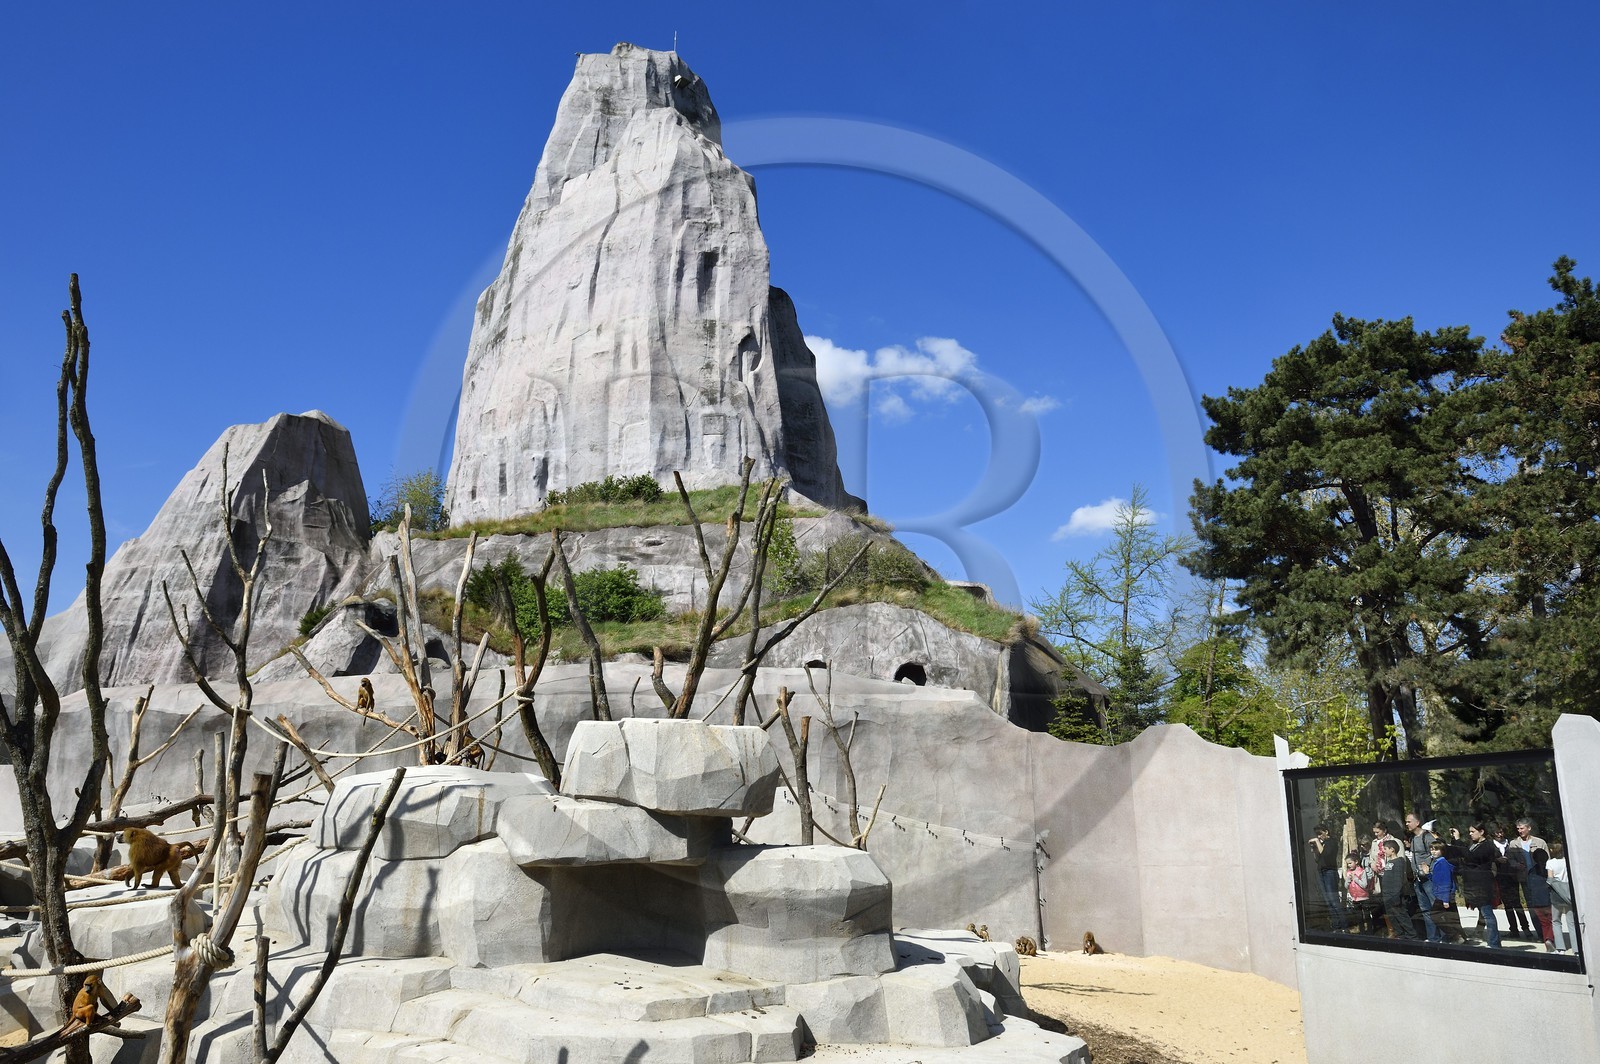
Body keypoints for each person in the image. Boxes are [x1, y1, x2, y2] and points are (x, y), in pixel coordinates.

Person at [1449, 824, 1502, 948]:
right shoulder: (1472, 845)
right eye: (1469, 831)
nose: (1470, 834)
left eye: (1473, 831)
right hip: (1472, 884)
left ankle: (1494, 943)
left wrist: (1458, 840)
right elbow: (1460, 854)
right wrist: (1454, 840)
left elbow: (1472, 858)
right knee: (1484, 913)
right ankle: (1494, 941)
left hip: (1482, 884)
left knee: (1487, 914)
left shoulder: (1488, 845)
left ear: (1481, 831)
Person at [1492, 825, 1536, 940]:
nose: (1499, 835)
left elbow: (1517, 857)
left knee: (1517, 903)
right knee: (1507, 905)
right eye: (1497, 832)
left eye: (1501, 832)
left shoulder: (1510, 843)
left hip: (1512, 876)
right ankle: (1513, 929)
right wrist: (1497, 860)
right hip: (1500, 877)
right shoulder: (1491, 845)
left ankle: (1525, 928)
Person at [1404, 812, 1441, 943]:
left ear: (1417, 822)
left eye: (1409, 821)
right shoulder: (1413, 839)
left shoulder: (1427, 836)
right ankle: (1432, 938)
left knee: (1435, 908)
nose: (1407, 824)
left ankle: (1443, 937)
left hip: (1428, 879)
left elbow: (1436, 853)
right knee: (1425, 909)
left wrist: (1428, 869)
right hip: (1417, 880)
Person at [1374, 839, 1419, 939]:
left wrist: (1396, 895)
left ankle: (1411, 935)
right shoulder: (1389, 862)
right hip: (1387, 895)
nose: (1384, 851)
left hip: (1395, 895)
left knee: (1401, 915)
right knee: (1392, 917)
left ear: (1392, 849)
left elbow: (1398, 880)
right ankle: (1399, 934)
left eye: (1385, 849)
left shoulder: (1399, 861)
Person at [1308, 826, 1347, 931]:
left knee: (1334, 900)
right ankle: (1336, 926)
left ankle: (1344, 926)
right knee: (1328, 902)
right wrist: (1315, 850)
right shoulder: (1322, 844)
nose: (1319, 836)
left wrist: (1317, 841)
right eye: (1317, 835)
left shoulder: (1331, 842)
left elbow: (1325, 855)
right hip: (1322, 872)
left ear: (1326, 831)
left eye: (1320, 834)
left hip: (1330, 872)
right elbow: (1318, 860)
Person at [1427, 839, 1464, 944]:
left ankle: (1455, 935)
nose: (1433, 852)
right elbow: (1436, 879)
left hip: (1444, 895)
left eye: (1436, 850)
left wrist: (1445, 899)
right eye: (1431, 850)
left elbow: (1446, 882)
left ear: (1442, 851)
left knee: (1434, 915)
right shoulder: (1438, 863)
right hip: (1443, 894)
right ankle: (1460, 937)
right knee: (1452, 917)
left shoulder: (1442, 863)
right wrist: (1427, 874)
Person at [1522, 845, 1555, 951]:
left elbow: (1529, 887)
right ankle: (1550, 939)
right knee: (1553, 922)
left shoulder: (1531, 871)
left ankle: (1546, 941)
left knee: (1544, 924)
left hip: (1536, 901)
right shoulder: (1549, 870)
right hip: (1548, 900)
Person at [1547, 841, 1575, 954]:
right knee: (1571, 923)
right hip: (1568, 893)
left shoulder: (1550, 863)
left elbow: (1550, 879)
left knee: (1556, 921)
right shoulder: (1567, 862)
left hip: (1556, 895)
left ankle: (1560, 948)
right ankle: (1576, 949)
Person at [1344, 855, 1376, 934]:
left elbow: (1364, 884)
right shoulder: (1348, 872)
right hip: (1355, 898)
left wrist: (1356, 879)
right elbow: (1346, 886)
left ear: (1356, 862)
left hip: (1364, 898)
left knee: (1367, 915)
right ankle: (1362, 932)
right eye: (1347, 864)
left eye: (1350, 863)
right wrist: (1348, 880)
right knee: (1359, 917)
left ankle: (1370, 931)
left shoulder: (1362, 871)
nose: (1349, 865)